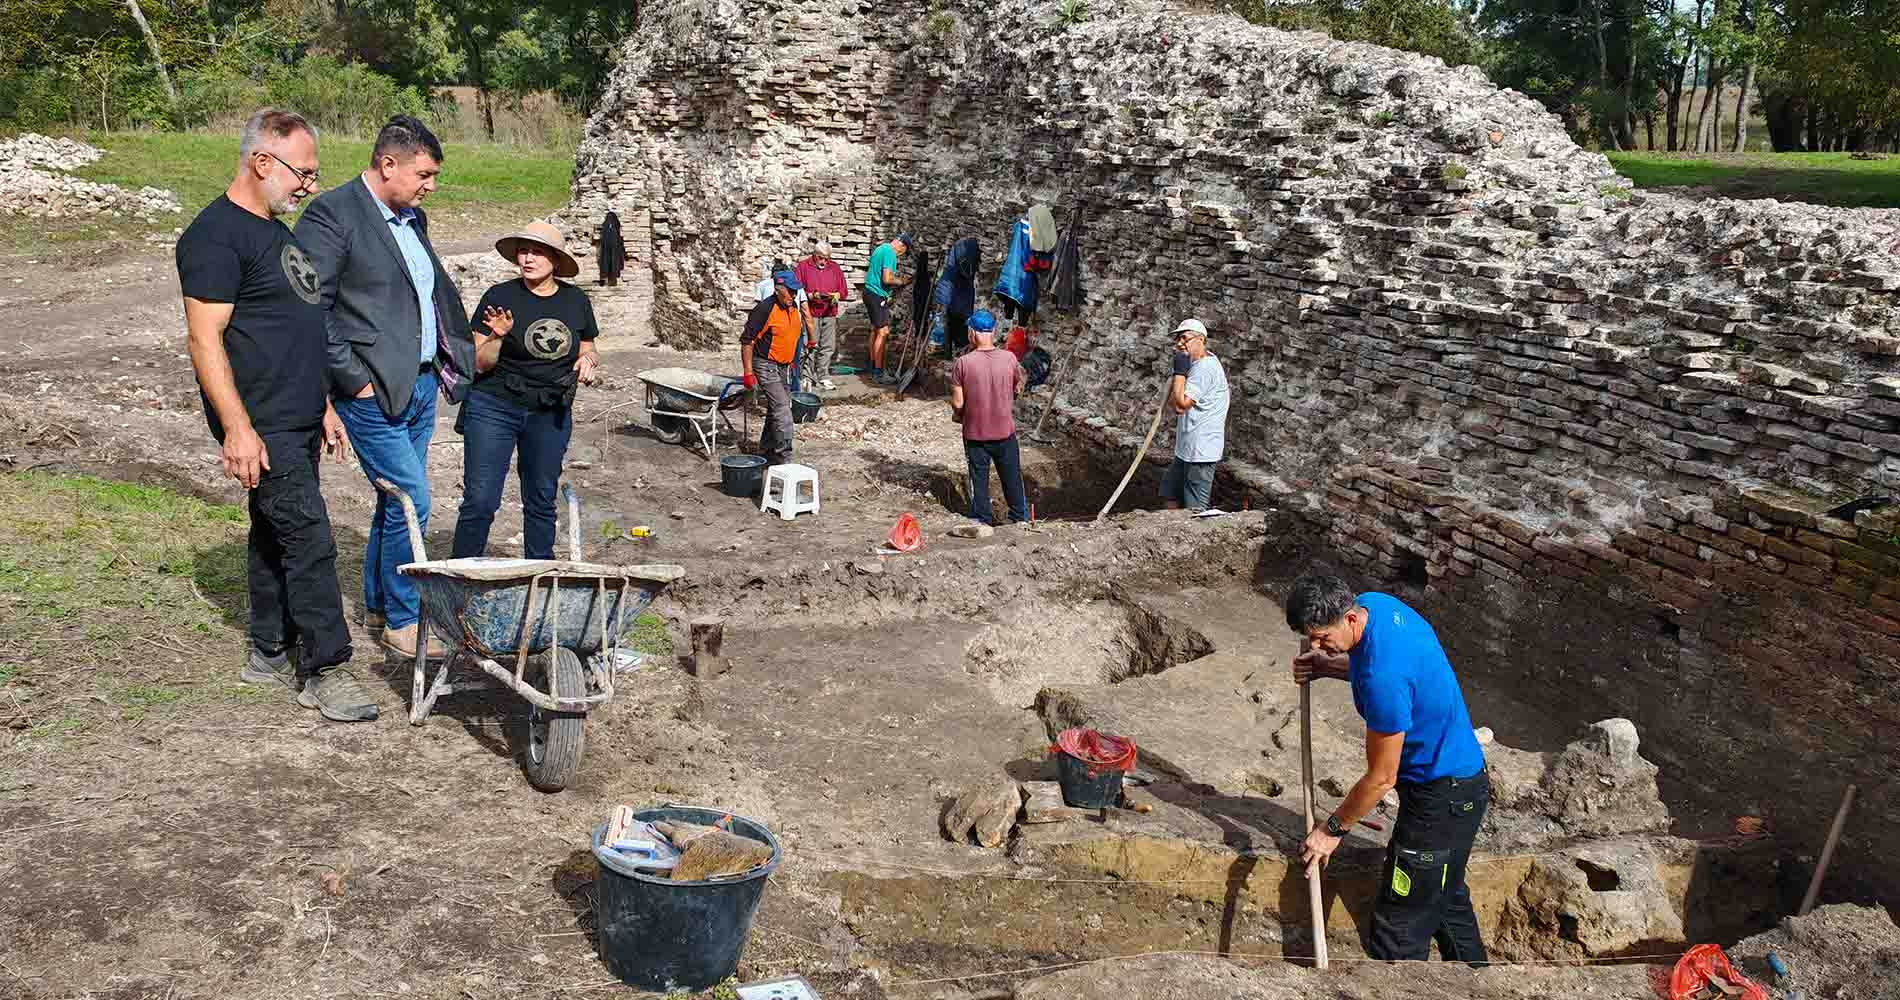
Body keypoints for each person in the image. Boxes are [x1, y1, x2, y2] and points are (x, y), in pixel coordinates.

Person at [176, 108, 366, 722]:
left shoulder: (277, 235)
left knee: (272, 530)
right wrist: (236, 427)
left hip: (300, 413)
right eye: (303, 172)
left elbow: (296, 328)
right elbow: (205, 341)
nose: (310, 185)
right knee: (309, 537)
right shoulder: (214, 237)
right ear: (263, 162)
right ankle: (327, 668)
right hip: (262, 420)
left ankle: (267, 650)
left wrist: (326, 405)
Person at [295, 115, 476, 660]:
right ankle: (403, 619)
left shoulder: (411, 218)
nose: (431, 185)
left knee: (392, 500)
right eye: (424, 173)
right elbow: (311, 308)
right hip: (371, 390)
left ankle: (377, 601)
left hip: (419, 384)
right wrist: (353, 382)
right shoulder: (332, 214)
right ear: (387, 163)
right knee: (413, 499)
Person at [1284, 573, 1489, 966]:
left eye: (1322, 638)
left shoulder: (1383, 679)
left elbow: (1381, 778)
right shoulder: (1375, 605)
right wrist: (1330, 666)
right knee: (1442, 894)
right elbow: (1388, 670)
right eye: (1310, 638)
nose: (1316, 646)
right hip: (1456, 780)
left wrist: (1332, 831)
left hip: (1442, 795)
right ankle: (1476, 980)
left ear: (1349, 618)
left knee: (1401, 921)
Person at [451, 222, 601, 560]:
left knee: (541, 498)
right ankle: (459, 579)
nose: (528, 258)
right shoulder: (500, 297)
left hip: (550, 410)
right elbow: (479, 363)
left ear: (556, 260)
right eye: (523, 250)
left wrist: (589, 360)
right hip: (495, 405)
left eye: (537, 252)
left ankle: (540, 578)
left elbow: (587, 346)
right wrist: (498, 337)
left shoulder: (576, 301)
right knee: (481, 499)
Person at [950, 310, 1028, 525]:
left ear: (972, 333)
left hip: (976, 434)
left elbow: (958, 403)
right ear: (993, 331)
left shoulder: (963, 363)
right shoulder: (1010, 358)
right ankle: (1019, 518)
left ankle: (982, 520)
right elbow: (1018, 387)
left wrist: (959, 415)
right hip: (1005, 432)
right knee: (1012, 477)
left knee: (979, 480)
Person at [740, 271, 808, 466]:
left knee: (775, 408)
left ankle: (767, 449)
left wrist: (792, 360)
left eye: (796, 291)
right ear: (779, 289)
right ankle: (783, 459)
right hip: (765, 364)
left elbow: (793, 335)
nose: (794, 295)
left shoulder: (792, 306)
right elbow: (747, 342)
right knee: (783, 409)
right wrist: (748, 373)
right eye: (791, 291)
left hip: (784, 365)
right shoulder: (764, 309)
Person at [1163, 318, 1229, 512]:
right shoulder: (1195, 363)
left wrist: (1180, 373)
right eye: (1177, 339)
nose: (1179, 344)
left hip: (1201, 450)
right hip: (1186, 448)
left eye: (1184, 338)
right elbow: (1175, 400)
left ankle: (1192, 537)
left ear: (1200, 339)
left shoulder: (1205, 368)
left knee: (1194, 508)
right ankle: (1172, 533)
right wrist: (1180, 372)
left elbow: (1181, 406)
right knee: (1170, 492)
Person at [795, 239, 849, 391]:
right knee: (809, 344)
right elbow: (795, 292)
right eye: (821, 258)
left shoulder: (835, 268)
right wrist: (810, 296)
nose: (824, 261)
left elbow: (844, 291)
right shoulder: (803, 267)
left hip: (829, 311)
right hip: (810, 313)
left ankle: (823, 375)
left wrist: (837, 295)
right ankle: (806, 376)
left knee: (827, 346)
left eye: (827, 258)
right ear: (815, 254)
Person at [864, 232, 912, 383]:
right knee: (883, 332)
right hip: (877, 295)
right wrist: (902, 281)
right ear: (901, 245)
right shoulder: (890, 253)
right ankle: (878, 373)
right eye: (902, 252)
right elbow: (887, 278)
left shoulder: (881, 248)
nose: (900, 254)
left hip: (868, 292)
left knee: (875, 329)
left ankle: (873, 366)